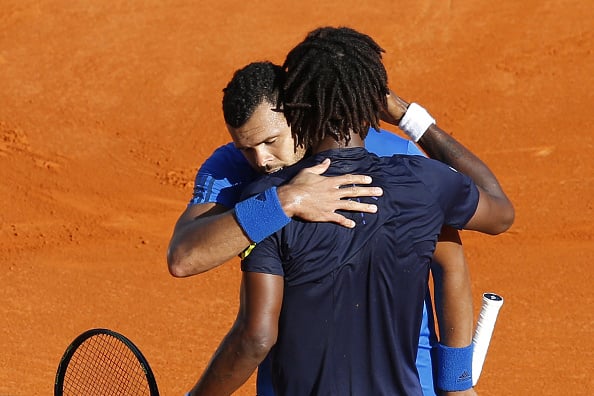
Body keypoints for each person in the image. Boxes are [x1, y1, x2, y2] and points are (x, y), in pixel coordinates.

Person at [186, 27, 513, 395]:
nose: (261, 160)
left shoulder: (265, 199)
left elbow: (256, 337)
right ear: (371, 99)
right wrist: (455, 384)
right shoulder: (425, 183)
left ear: (296, 109)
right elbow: (493, 221)